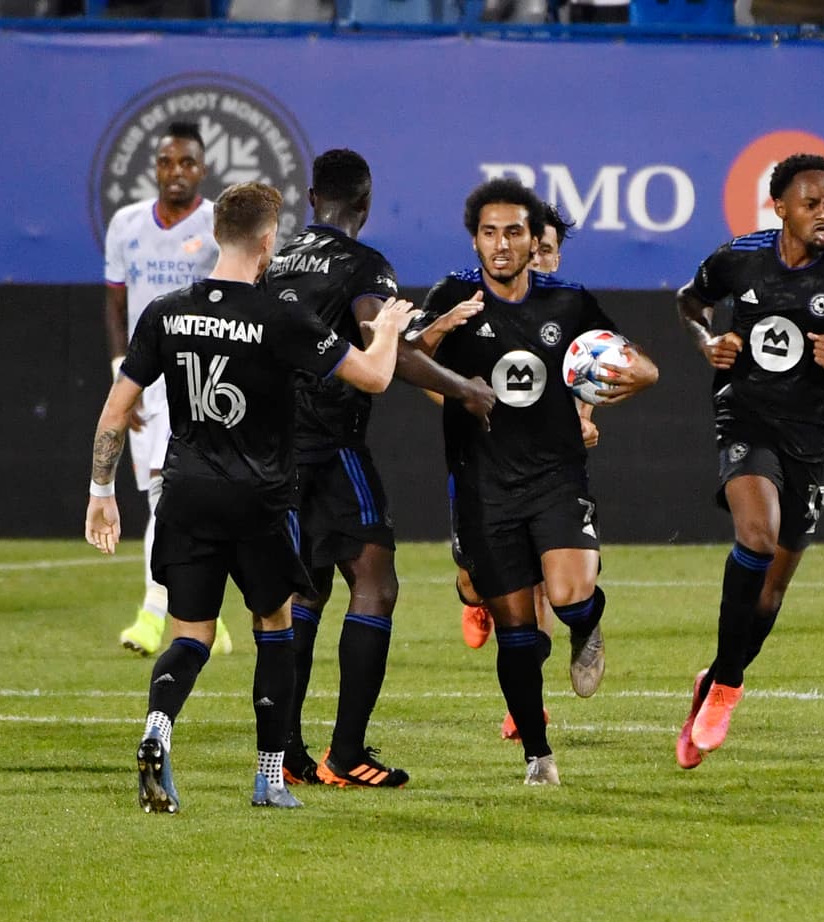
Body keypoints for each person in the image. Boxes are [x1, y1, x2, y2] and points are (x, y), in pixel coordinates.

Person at [84, 181, 417, 812]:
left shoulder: (165, 311)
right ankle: (268, 777)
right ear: (268, 241)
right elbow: (373, 377)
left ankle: (157, 732)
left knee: (190, 635)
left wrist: (102, 491)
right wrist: (390, 327)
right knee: (275, 625)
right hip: (260, 500)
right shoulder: (279, 317)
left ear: (216, 235)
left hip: (184, 495)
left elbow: (113, 413)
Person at [411, 178, 658, 785]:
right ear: (475, 240)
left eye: (514, 233)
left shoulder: (568, 302)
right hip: (482, 485)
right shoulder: (451, 295)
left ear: (533, 241)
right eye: (490, 233)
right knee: (518, 633)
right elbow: (400, 357)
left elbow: (630, 359)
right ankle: (538, 757)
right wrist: (442, 328)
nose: (501, 244)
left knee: (571, 595)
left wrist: (641, 376)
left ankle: (588, 624)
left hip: (554, 476)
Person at [264, 149, 495, 789]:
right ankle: (346, 754)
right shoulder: (364, 265)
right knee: (376, 582)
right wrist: (465, 391)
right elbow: (384, 346)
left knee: (305, 591)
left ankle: (285, 751)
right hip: (334, 445)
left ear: (313, 198)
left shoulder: (278, 260)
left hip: (278, 450)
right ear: (365, 204)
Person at [674, 153, 824, 769]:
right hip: (745, 418)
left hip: (815, 437)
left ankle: (716, 680)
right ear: (779, 207)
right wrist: (709, 342)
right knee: (757, 533)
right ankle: (726, 688)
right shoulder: (740, 257)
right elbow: (689, 301)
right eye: (811, 203)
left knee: (772, 588)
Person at [453, 202, 598, 743]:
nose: (536, 258)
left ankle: (526, 713)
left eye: (546, 251)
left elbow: (592, 371)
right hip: (483, 469)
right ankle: (475, 599)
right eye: (529, 248)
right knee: (473, 582)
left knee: (541, 589)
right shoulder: (478, 303)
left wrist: (584, 419)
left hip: (548, 475)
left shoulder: (566, 309)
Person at [105, 120, 233, 659]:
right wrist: (121, 376)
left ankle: (154, 614)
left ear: (202, 169)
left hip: (198, 379)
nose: (175, 172)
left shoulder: (216, 225)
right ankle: (203, 611)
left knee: (170, 495)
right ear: (154, 167)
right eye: (166, 162)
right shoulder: (127, 224)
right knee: (167, 500)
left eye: (186, 163)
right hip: (144, 380)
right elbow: (115, 302)